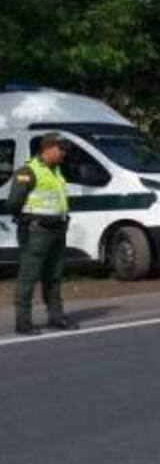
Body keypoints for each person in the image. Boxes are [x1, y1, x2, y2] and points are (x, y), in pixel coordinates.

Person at [7, 134, 79, 335]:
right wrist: (27, 220)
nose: (64, 154)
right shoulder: (28, 172)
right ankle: (23, 323)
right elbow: (13, 203)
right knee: (28, 277)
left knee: (54, 276)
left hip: (57, 229)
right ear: (48, 149)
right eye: (61, 149)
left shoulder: (56, 171)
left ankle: (56, 317)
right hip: (37, 231)